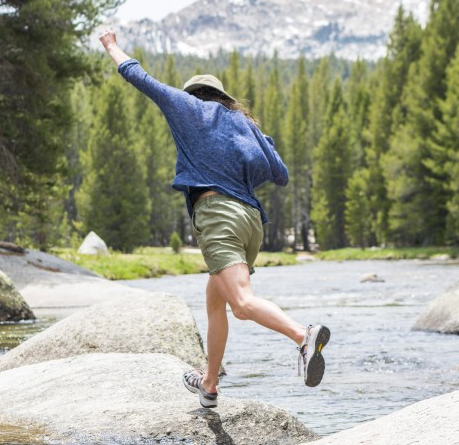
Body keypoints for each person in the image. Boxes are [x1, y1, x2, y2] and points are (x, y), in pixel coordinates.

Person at [98, 30, 330, 408]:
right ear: (222, 97)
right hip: (251, 221)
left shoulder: (188, 108)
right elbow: (281, 173)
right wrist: (252, 143)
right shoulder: (245, 124)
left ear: (192, 95)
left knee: (240, 302)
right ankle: (209, 385)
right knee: (215, 300)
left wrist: (110, 45)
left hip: (219, 216)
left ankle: (303, 336)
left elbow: (137, 74)